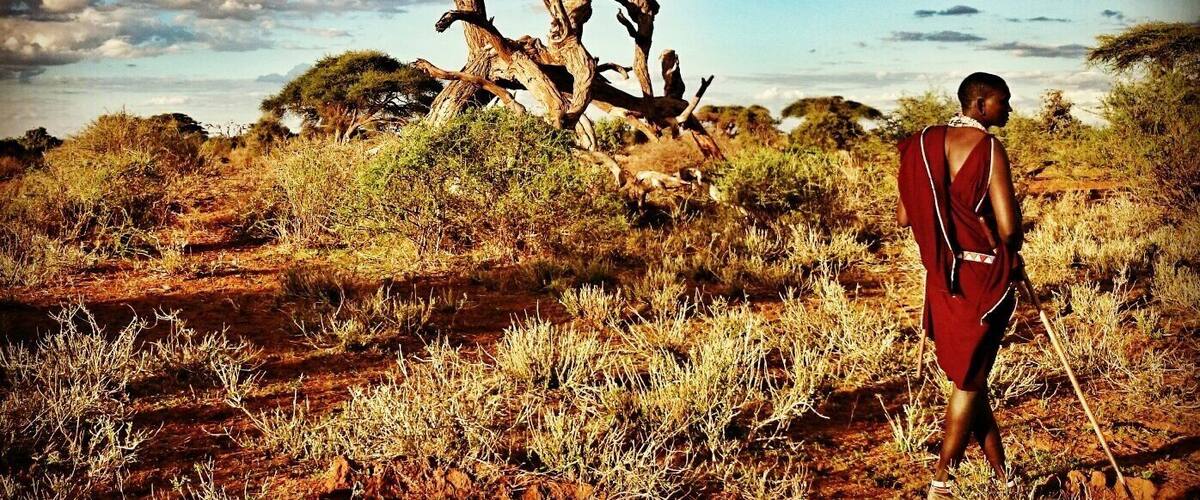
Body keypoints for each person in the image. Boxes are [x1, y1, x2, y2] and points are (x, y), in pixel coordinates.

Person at [895, 72, 1022, 499]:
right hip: (982, 280)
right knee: (969, 382)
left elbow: (904, 217)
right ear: (981, 104)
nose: (1010, 108)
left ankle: (1003, 476)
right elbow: (1009, 228)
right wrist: (1009, 245)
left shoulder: (920, 145)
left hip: (941, 277)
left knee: (973, 377)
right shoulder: (989, 148)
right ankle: (942, 480)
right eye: (1004, 100)